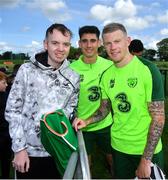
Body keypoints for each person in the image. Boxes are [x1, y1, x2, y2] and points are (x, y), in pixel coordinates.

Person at [73, 22, 165, 179]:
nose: (113, 47)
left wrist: (145, 160)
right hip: (118, 147)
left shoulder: (148, 69)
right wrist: (87, 121)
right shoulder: (106, 75)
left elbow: (158, 118)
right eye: (108, 43)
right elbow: (104, 109)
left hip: (144, 150)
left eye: (117, 41)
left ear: (128, 41)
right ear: (104, 45)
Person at [5, 23, 80, 179]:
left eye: (65, 44)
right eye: (55, 43)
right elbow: (12, 110)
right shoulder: (26, 70)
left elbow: (70, 110)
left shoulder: (74, 77)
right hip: (28, 153)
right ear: (46, 44)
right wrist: (19, 149)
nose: (60, 48)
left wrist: (74, 119)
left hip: (57, 150)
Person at [70, 25, 113, 177]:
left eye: (93, 41)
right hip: (81, 127)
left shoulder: (109, 65)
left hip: (105, 124)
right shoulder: (71, 69)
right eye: (85, 41)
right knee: (85, 168)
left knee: (112, 161)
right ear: (79, 43)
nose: (89, 45)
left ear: (99, 42)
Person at [0, 71, 12, 179]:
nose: (6, 85)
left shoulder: (7, 96)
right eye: (4, 82)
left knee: (6, 159)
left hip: (6, 134)